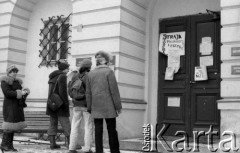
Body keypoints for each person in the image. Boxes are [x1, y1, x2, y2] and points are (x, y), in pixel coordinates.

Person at [86, 51, 122, 153]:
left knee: (98, 131)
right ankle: (114, 151)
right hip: (109, 106)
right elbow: (114, 91)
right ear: (106, 61)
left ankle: (99, 151)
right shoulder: (109, 72)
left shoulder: (90, 73)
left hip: (96, 106)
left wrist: (89, 107)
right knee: (112, 130)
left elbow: (88, 93)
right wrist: (118, 106)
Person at [0, 65, 30, 152]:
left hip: (17, 106)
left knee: (13, 127)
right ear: (9, 72)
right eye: (13, 71)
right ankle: (4, 145)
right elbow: (7, 93)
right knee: (9, 126)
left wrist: (25, 92)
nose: (15, 73)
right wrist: (20, 92)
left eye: (16, 71)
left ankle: (10, 145)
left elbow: (19, 93)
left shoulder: (17, 82)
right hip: (9, 106)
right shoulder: (4, 81)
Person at [68, 59, 94, 153]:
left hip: (76, 105)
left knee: (74, 126)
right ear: (89, 67)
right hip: (86, 105)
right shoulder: (89, 76)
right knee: (88, 126)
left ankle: (71, 147)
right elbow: (90, 92)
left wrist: (75, 98)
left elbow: (70, 91)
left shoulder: (75, 76)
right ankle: (87, 148)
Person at [46, 61, 71, 149]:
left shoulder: (52, 77)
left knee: (53, 124)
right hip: (60, 104)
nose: (68, 70)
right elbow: (63, 91)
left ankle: (52, 144)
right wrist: (65, 103)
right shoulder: (62, 76)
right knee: (66, 124)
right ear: (64, 69)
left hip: (52, 104)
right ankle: (70, 144)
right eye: (67, 68)